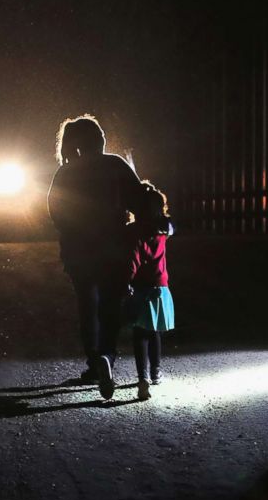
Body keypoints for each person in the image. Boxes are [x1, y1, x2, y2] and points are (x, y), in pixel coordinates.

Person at [47, 114, 146, 399]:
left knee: (87, 305)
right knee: (110, 305)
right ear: (99, 140)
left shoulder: (65, 173)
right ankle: (107, 354)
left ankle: (94, 362)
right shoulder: (115, 165)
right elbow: (140, 201)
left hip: (78, 250)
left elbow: (55, 212)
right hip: (113, 247)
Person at [126, 182, 175, 401]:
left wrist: (127, 281)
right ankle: (156, 372)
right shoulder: (164, 228)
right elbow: (172, 225)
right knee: (156, 331)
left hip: (141, 286)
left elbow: (133, 259)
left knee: (140, 333)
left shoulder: (134, 231)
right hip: (160, 285)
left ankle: (142, 376)